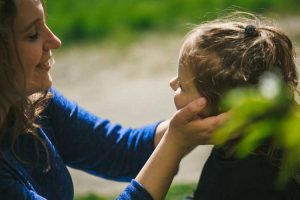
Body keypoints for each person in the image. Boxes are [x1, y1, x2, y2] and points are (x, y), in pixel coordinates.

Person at [0, 0, 228, 199]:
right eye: (32, 34)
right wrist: (175, 142)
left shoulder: (32, 104)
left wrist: (189, 124)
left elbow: (120, 152)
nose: (55, 41)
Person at [168, 12, 300, 200]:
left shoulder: (241, 178)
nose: (172, 83)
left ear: (225, 108)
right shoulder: (265, 151)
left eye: (182, 85)